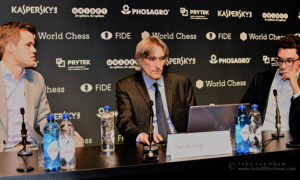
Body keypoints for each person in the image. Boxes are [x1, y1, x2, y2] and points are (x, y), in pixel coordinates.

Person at [0, 22, 82, 152]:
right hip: (4, 150)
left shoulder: (36, 79)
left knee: (75, 142)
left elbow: (44, 118)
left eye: (34, 45)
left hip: (32, 146)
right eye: (28, 45)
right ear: (10, 46)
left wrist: (61, 134)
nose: (34, 50)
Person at [116, 36, 196, 145]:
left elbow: (194, 119)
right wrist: (142, 136)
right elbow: (124, 122)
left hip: (181, 146)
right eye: (152, 59)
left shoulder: (181, 82)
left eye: (162, 58)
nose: (158, 65)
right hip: (148, 148)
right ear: (140, 60)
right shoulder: (125, 86)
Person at [241, 34, 300, 139]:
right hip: (262, 139)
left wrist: (296, 89)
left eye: (289, 60)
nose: (283, 65)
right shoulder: (260, 80)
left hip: (294, 141)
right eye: (280, 60)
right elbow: (242, 109)